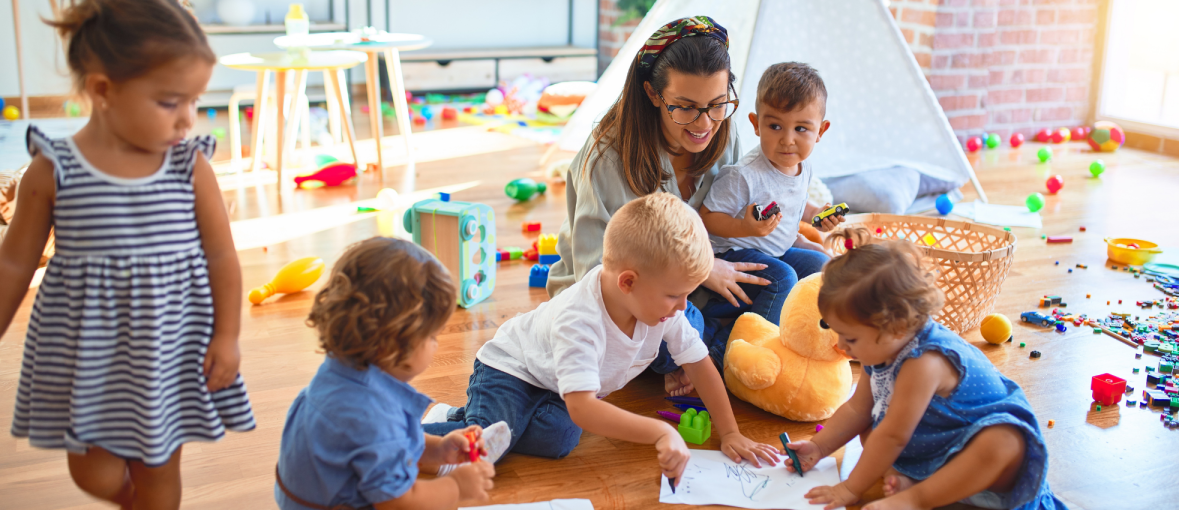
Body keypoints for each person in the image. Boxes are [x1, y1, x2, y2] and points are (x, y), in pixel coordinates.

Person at [0, 1, 255, 507]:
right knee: (92, 475)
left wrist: (227, 336)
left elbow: (223, 256)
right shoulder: (53, 169)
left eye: (194, 101)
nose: (187, 119)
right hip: (86, 355)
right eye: (169, 102)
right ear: (102, 90)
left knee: (159, 469)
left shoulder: (189, 165)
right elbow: (13, 262)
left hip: (170, 347)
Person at [424, 194, 780, 485]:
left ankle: (473, 416)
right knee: (486, 446)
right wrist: (659, 432)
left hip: (556, 383)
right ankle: (407, 438)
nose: (684, 306)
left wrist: (730, 432)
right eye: (675, 295)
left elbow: (699, 364)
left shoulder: (661, 306)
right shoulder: (580, 319)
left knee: (559, 439)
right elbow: (582, 408)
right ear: (628, 282)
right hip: (511, 369)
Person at [547, 16, 774, 397]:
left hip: (695, 289)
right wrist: (702, 272)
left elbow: (736, 223)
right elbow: (598, 275)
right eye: (685, 107)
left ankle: (708, 355)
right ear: (653, 94)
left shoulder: (724, 128)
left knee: (799, 270)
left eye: (717, 104)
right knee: (679, 328)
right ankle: (713, 361)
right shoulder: (606, 159)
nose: (705, 123)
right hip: (630, 303)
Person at [784, 227, 1067, 510]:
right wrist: (819, 447)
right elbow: (856, 409)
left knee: (1004, 442)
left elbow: (895, 436)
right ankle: (922, 486)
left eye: (851, 338)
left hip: (987, 470)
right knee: (871, 427)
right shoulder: (882, 349)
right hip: (939, 449)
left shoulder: (924, 361)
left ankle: (916, 498)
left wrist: (849, 488)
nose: (842, 346)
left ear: (893, 325)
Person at [275, 238, 496, 509]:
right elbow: (398, 503)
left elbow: (379, 448)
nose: (436, 345)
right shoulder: (371, 414)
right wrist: (456, 487)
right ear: (392, 344)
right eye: (431, 336)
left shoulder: (338, 372)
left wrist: (438, 449)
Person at [699, 62, 842, 326]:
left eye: (801, 129)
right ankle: (749, 343)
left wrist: (816, 216)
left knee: (822, 266)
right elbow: (707, 218)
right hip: (735, 252)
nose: (788, 140)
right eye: (775, 126)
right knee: (783, 278)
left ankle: (800, 329)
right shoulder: (744, 175)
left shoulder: (802, 165)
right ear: (756, 123)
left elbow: (795, 203)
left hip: (776, 251)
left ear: (820, 131)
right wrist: (744, 227)